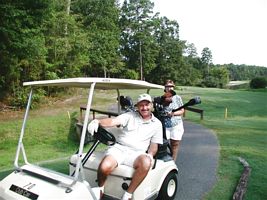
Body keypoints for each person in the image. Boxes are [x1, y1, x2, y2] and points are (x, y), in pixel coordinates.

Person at [87, 93, 163, 200]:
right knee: (104, 166)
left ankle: (128, 194)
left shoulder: (157, 124)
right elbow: (113, 121)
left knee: (146, 162)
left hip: (137, 153)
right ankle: (100, 188)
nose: (144, 108)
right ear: (137, 106)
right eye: (141, 105)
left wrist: (150, 155)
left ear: (151, 105)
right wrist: (97, 121)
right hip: (119, 148)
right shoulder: (130, 115)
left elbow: (154, 145)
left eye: (147, 104)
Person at [162, 80, 184, 161]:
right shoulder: (162, 98)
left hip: (176, 124)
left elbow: (182, 110)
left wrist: (173, 113)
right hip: (165, 125)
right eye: (168, 86)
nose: (170, 88)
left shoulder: (177, 97)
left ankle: (172, 162)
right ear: (165, 88)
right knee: (162, 144)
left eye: (171, 86)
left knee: (174, 144)